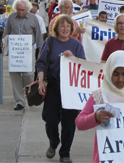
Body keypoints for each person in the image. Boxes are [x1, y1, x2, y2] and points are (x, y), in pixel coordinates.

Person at [75, 51, 124, 163]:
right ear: (109, 72)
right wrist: (96, 116)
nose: (120, 79)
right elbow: (79, 123)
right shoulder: (100, 95)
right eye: (116, 74)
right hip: (106, 157)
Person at [36, 15, 86, 163]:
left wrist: (73, 58)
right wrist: (40, 82)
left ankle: (65, 153)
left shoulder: (76, 45)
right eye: (62, 26)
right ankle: (53, 142)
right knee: (50, 120)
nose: (65, 29)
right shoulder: (50, 42)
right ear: (56, 28)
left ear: (71, 28)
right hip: (53, 86)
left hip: (70, 88)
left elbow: (83, 66)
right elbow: (41, 63)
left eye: (68, 26)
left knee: (69, 123)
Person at [3, 0, 43, 110]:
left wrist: (40, 51)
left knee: (29, 74)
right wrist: (5, 47)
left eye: (23, 10)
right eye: (19, 9)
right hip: (14, 50)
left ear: (27, 9)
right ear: (16, 9)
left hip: (28, 50)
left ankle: (29, 96)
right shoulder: (11, 18)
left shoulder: (33, 18)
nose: (21, 12)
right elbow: (6, 34)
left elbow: (39, 36)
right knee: (15, 75)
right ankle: (20, 101)